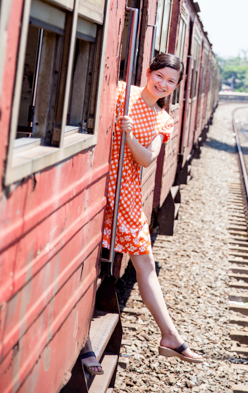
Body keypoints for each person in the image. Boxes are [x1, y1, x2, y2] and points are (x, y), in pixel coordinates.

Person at [80, 53, 202, 376]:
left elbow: (148, 159)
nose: (163, 84)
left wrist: (130, 134)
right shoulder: (121, 91)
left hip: (128, 192)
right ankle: (81, 340)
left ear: (176, 87)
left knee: (142, 261)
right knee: (92, 259)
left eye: (171, 82)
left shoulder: (164, 120)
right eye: (160, 75)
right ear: (149, 71)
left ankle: (170, 335)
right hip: (100, 182)